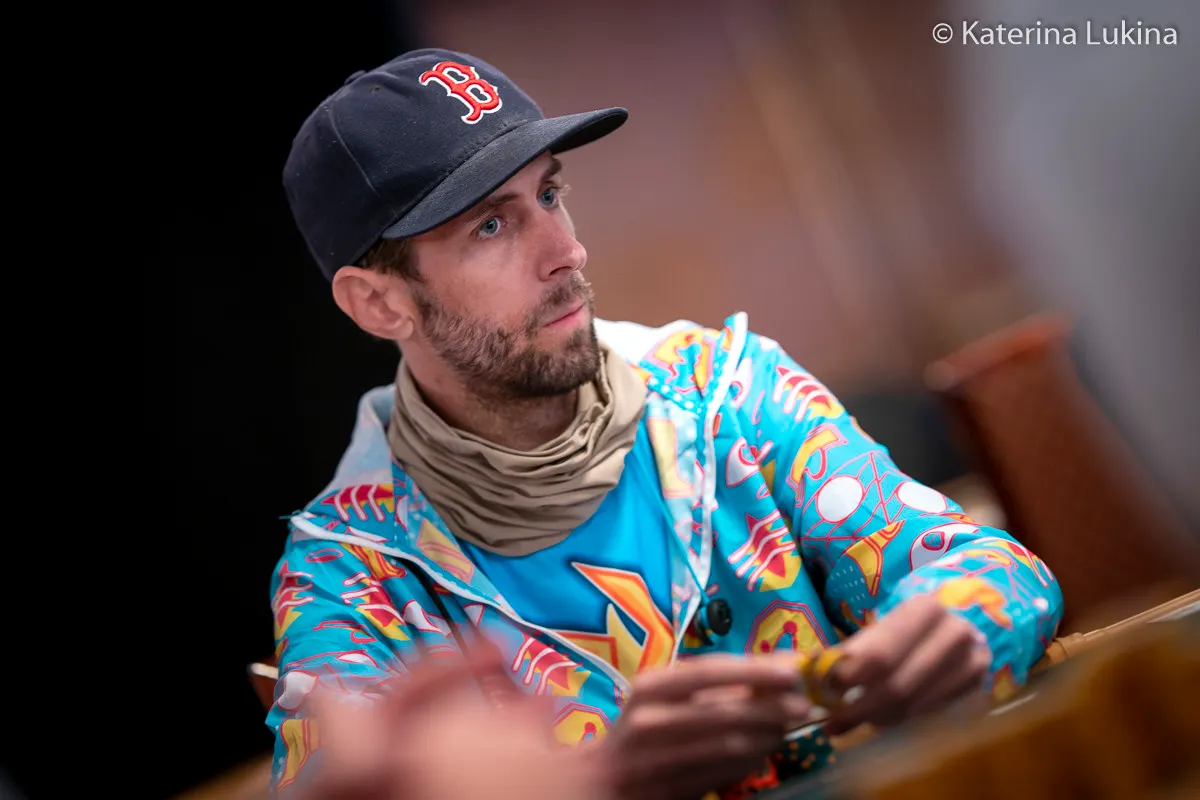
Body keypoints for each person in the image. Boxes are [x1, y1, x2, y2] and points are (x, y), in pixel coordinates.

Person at [269, 47, 1064, 799]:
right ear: (379, 303)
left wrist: (960, 623)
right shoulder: (350, 569)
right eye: (491, 225)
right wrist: (599, 782)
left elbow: (992, 567)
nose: (566, 252)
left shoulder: (728, 390)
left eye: (549, 195)